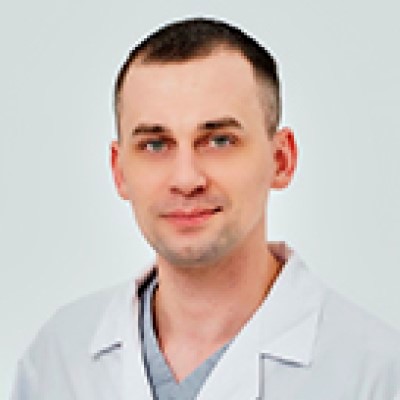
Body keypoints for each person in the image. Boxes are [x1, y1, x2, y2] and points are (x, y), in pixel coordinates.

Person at [12, 17, 400, 400]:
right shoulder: (58, 360)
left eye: (219, 141)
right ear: (119, 171)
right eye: (155, 145)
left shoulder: (374, 373)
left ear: (281, 160)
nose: (186, 179)